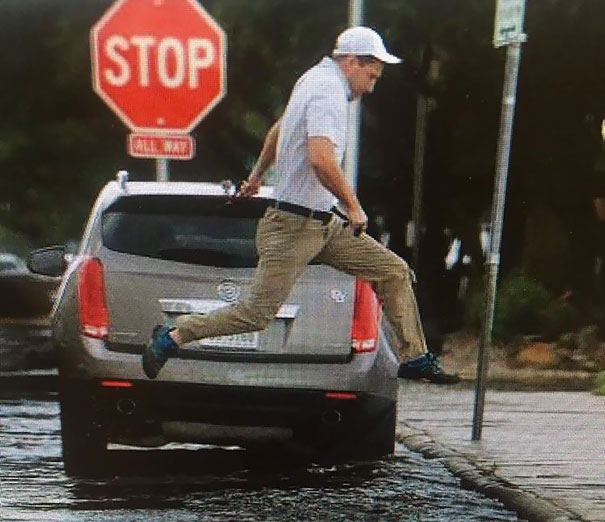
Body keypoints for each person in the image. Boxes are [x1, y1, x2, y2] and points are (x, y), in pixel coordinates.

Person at [142, 26, 459, 384]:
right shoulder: (328, 92)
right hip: (292, 227)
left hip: (324, 225)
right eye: (371, 76)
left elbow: (280, 128)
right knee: (255, 315)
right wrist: (354, 205)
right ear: (352, 62)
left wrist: (258, 174)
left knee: (393, 271)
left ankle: (415, 357)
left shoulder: (312, 79)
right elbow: (321, 159)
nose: (372, 86)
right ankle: (174, 335)